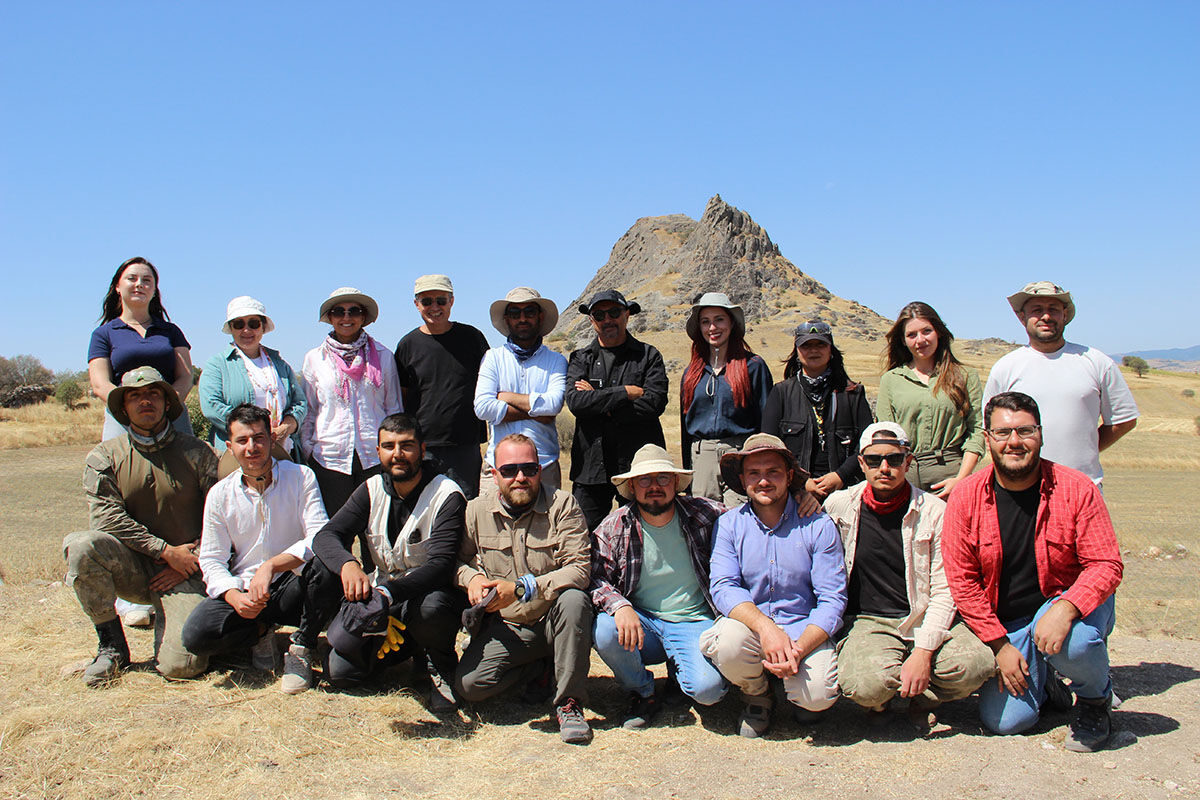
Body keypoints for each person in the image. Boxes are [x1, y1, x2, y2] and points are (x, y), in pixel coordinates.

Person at [943, 392, 1123, 752]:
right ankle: (1049, 681)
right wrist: (999, 645)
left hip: (1065, 605)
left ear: (1040, 434)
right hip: (1010, 623)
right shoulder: (966, 497)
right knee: (1006, 722)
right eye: (1003, 432)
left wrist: (1066, 608)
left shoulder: (1077, 488)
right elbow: (962, 582)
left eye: (1025, 431)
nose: (1014, 441)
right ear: (988, 438)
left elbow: (1106, 564)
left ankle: (1095, 700)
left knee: (1076, 644)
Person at [824, 422, 994, 729]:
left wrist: (923, 653)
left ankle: (924, 697)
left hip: (924, 614)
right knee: (864, 686)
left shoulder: (935, 511)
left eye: (894, 459)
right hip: (869, 621)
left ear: (908, 461)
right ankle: (882, 700)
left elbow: (945, 589)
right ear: (861, 463)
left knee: (976, 665)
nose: (884, 468)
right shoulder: (839, 507)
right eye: (874, 460)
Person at [290, 414, 467, 707]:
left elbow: (440, 566)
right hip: (380, 603)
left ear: (422, 450)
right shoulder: (371, 488)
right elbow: (326, 536)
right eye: (388, 446)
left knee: (433, 606)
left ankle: (440, 664)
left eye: (406, 445)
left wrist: (387, 593)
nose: (397, 454)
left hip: (421, 598)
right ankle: (310, 646)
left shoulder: (446, 494)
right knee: (341, 674)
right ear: (378, 451)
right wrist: (348, 565)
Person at [63, 367, 218, 686]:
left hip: (187, 570)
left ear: (167, 402)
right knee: (81, 545)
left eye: (153, 394)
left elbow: (223, 516)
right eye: (134, 395)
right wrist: (164, 551)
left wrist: (191, 558)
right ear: (123, 407)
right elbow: (105, 518)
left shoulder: (199, 452)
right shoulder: (104, 456)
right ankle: (112, 646)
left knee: (182, 667)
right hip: (132, 566)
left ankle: (176, 624)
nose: (144, 401)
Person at [700, 433, 847, 738]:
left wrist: (799, 648)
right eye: (754, 473)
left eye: (773, 472)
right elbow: (724, 587)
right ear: (743, 480)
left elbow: (832, 599)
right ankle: (757, 694)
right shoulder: (729, 524)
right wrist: (767, 630)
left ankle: (797, 692)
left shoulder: (818, 525)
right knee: (727, 643)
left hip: (802, 630)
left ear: (789, 477)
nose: (764, 481)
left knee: (817, 697)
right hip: (752, 630)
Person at [454, 434, 594, 744]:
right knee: (469, 686)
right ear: (494, 474)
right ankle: (538, 669)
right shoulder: (476, 511)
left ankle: (568, 703)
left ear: (540, 470)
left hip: (555, 622)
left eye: (529, 469)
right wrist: (471, 579)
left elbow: (580, 569)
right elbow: (456, 562)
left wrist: (520, 589)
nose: (520, 477)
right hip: (510, 627)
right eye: (509, 470)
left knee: (574, 600)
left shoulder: (562, 505)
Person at [181, 404, 327, 682]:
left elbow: (318, 536)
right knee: (196, 635)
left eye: (259, 438)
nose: (251, 447)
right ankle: (259, 631)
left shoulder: (301, 477)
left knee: (325, 568)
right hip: (247, 588)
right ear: (230, 447)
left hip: (293, 583)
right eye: (242, 440)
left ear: (271, 439)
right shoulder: (219, 495)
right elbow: (211, 558)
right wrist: (234, 596)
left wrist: (271, 566)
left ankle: (302, 646)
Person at [590, 444, 729, 729]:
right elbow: (594, 576)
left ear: (676, 482)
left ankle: (679, 672)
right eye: (644, 480)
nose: (654, 486)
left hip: (695, 622)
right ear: (632, 486)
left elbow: (750, 519)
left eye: (663, 478)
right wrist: (620, 606)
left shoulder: (705, 513)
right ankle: (643, 692)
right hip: (644, 625)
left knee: (708, 692)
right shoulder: (616, 525)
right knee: (605, 629)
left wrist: (800, 495)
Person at [984, 281, 1139, 488]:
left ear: (1064, 315)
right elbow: (990, 429)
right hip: (1022, 490)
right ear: (1022, 317)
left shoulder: (1097, 362)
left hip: (1083, 486)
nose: (1046, 316)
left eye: (1053, 309)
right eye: (1037, 310)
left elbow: (1124, 421)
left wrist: (1087, 449)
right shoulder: (1005, 368)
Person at [566, 290, 668, 530]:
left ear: (627, 314)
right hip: (590, 469)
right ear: (591, 320)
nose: (607, 319)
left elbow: (654, 403)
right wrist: (625, 393)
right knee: (584, 537)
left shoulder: (649, 356)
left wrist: (598, 401)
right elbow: (576, 403)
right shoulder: (580, 358)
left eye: (614, 312)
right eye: (599, 315)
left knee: (646, 533)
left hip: (638, 468)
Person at [300, 286, 403, 524]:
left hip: (374, 457)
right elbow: (310, 410)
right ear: (330, 317)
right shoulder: (314, 359)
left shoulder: (383, 356)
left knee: (376, 527)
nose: (346, 317)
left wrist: (393, 450)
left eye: (353, 311)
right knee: (336, 528)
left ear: (363, 316)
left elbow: (393, 408)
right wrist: (308, 448)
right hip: (329, 458)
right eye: (339, 311)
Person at [393, 275, 490, 498]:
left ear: (451, 301)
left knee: (464, 506)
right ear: (416, 304)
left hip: (465, 445)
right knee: (423, 507)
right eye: (427, 301)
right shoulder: (407, 345)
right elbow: (402, 396)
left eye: (441, 300)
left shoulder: (472, 338)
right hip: (422, 446)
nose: (434, 307)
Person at [876, 302, 983, 497]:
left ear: (939, 332)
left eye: (927, 331)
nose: (920, 340)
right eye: (912, 335)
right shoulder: (891, 380)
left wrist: (961, 479)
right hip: (903, 473)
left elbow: (976, 431)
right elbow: (886, 434)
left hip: (950, 473)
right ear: (903, 340)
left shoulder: (965, 376)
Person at [760, 320, 873, 502]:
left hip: (847, 492)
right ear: (797, 351)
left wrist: (841, 475)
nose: (813, 350)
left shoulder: (853, 394)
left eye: (820, 344)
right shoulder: (781, 393)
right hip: (793, 495)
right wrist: (801, 482)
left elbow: (868, 443)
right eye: (806, 345)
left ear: (831, 349)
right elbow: (769, 446)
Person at [679, 292, 773, 504]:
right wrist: (687, 474)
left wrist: (763, 465)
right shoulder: (691, 373)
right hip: (701, 459)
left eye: (719, 319)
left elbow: (765, 421)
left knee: (740, 518)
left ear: (731, 323)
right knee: (704, 519)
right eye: (705, 322)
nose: (712, 327)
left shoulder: (753, 366)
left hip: (740, 457)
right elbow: (686, 427)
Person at [88, 256, 194, 440]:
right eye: (132, 278)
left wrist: (165, 406)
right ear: (117, 287)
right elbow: (100, 384)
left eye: (146, 280)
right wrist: (130, 409)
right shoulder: (103, 334)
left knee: (186, 459)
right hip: (122, 418)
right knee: (117, 459)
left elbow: (185, 377)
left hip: (171, 417)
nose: (139, 284)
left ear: (154, 290)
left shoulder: (171, 331)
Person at [474, 287, 567, 494]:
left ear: (540, 317)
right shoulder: (493, 358)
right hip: (499, 467)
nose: (522, 318)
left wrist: (505, 397)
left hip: (544, 465)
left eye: (529, 312)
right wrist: (538, 413)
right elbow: (482, 407)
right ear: (507, 319)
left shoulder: (556, 360)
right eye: (515, 313)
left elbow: (554, 404)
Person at [199, 296, 306, 469]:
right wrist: (256, 433)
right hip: (238, 459)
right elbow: (211, 406)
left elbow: (299, 403)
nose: (246, 330)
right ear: (231, 328)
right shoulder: (217, 365)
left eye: (253, 323)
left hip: (282, 453)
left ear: (263, 327)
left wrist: (286, 428)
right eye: (239, 324)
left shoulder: (279, 364)